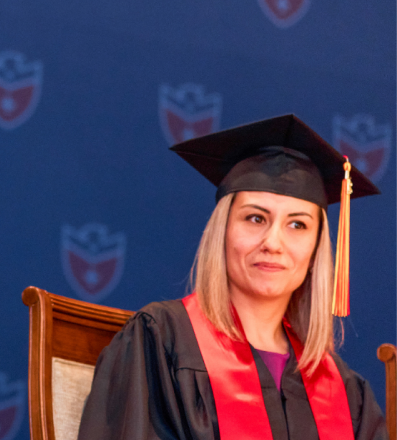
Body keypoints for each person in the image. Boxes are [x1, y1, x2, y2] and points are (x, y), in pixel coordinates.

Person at [77, 115, 388, 440]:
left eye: (298, 225)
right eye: (255, 218)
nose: (273, 243)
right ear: (222, 231)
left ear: (315, 250)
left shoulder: (346, 391)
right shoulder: (161, 340)